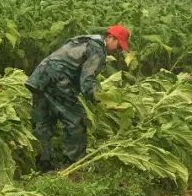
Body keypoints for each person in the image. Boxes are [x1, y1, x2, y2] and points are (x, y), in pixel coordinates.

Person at [26, 24, 130, 171]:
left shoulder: (86, 40)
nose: (119, 50)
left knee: (43, 123)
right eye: (119, 46)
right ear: (110, 37)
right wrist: (100, 100)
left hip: (39, 78)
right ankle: (74, 165)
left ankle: (43, 165)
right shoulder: (97, 50)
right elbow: (87, 79)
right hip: (58, 80)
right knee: (76, 120)